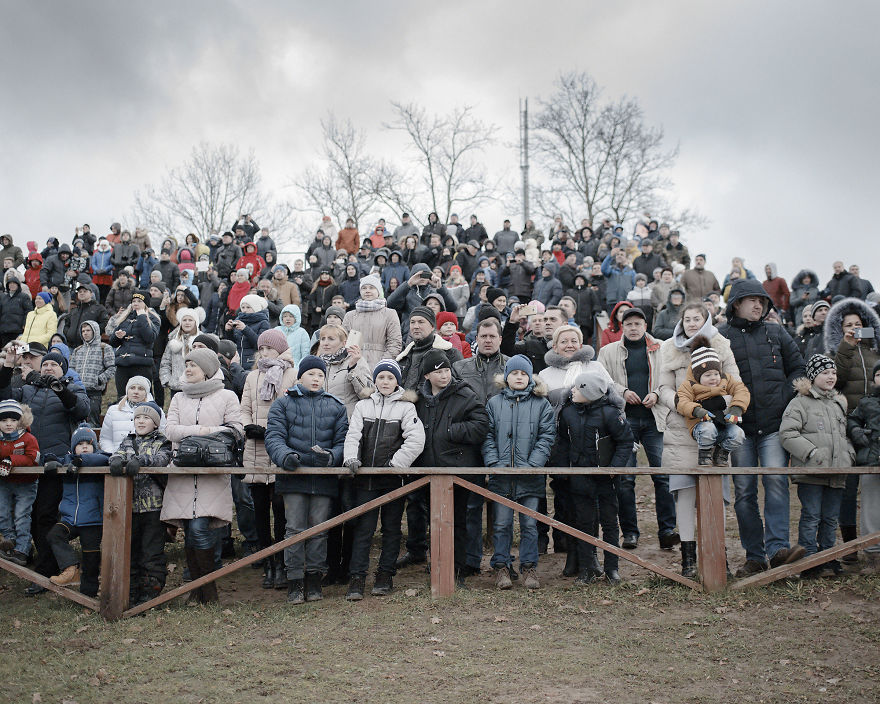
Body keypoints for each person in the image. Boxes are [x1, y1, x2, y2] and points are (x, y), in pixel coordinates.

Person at [719, 279, 805, 577]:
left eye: (762, 301)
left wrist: (784, 397)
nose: (759, 305)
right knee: (744, 492)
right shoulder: (721, 336)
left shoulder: (776, 332)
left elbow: (798, 368)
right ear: (736, 304)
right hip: (739, 428)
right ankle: (754, 557)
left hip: (773, 425)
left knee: (776, 483)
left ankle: (779, 550)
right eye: (752, 300)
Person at [656, 302, 740, 575]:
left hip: (714, 424)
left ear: (706, 320)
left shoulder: (721, 344)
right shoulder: (669, 348)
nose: (692, 323)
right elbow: (663, 387)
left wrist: (719, 403)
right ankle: (688, 560)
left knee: (716, 495)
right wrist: (683, 405)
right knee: (684, 494)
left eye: (697, 319)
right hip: (682, 428)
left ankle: (718, 557)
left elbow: (734, 381)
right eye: (687, 319)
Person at [0, 348, 90, 594]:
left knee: (46, 516)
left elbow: (82, 410)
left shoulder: (72, 388)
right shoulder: (28, 390)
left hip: (54, 464)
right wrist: (7, 367)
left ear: (63, 369)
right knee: (28, 516)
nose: (49, 367)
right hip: (26, 462)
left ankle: (45, 572)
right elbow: (4, 398)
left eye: (54, 365)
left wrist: (59, 389)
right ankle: (35, 560)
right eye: (46, 364)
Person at [265, 355, 349, 604]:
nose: (316, 379)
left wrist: (331, 456)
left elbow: (343, 441)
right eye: (311, 374)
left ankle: (314, 580)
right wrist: (285, 456)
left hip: (323, 479)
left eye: (321, 375)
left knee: (319, 531)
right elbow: (274, 437)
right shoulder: (282, 404)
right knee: (294, 529)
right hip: (294, 477)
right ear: (301, 376)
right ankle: (294, 581)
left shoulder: (336, 406)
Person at [161, 349, 243, 604]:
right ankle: (198, 591)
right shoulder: (178, 397)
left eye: (193, 365)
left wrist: (194, 433)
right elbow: (170, 431)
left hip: (212, 472)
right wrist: (205, 431)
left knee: (199, 528)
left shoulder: (227, 396)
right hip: (183, 471)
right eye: (186, 364)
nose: (187, 369)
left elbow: (235, 430)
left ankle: (208, 591)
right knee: (189, 529)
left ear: (206, 369)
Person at [342, 359, 425, 600]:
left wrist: (395, 464)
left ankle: (385, 574)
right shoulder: (363, 406)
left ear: (397, 381)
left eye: (390, 378)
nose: (385, 382)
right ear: (375, 380)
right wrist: (351, 458)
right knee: (363, 529)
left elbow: (416, 440)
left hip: (391, 479)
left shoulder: (406, 408)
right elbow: (353, 435)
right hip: (365, 480)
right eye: (381, 377)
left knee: (391, 528)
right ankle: (357, 577)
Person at [598, 307, 678, 551]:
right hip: (625, 421)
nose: (633, 328)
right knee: (625, 479)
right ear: (622, 327)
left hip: (656, 419)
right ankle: (630, 532)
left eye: (638, 324)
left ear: (645, 326)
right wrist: (622, 391)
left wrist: (656, 393)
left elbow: (670, 379)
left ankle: (667, 531)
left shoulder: (662, 348)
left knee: (662, 476)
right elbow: (603, 380)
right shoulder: (608, 351)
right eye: (629, 324)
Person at [413, 349, 490, 587]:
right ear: (427, 375)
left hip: (458, 470)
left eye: (447, 370)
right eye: (438, 372)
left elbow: (481, 425)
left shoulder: (464, 394)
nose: (444, 375)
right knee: (434, 521)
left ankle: (457, 571)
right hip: (428, 470)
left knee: (457, 522)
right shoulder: (418, 400)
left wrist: (450, 431)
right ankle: (438, 566)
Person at [553, 367, 634, 585]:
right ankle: (587, 568)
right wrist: (563, 470)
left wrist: (613, 469)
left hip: (606, 478)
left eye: (578, 388)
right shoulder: (568, 412)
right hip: (579, 476)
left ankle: (612, 568)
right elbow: (562, 442)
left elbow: (625, 442)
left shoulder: (610, 414)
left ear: (590, 392)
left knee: (609, 523)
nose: (572, 391)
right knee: (584, 523)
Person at [483, 355, 555, 590]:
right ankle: (502, 566)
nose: (519, 377)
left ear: (530, 377)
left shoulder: (541, 404)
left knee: (530, 524)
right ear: (507, 377)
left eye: (524, 374)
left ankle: (529, 567)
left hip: (530, 477)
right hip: (502, 476)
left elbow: (546, 436)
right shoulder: (494, 403)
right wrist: (494, 463)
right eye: (514, 373)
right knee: (501, 524)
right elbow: (487, 435)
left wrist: (533, 465)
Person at [777, 355, 852, 579]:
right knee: (811, 516)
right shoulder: (799, 402)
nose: (831, 377)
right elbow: (787, 434)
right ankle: (809, 560)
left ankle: (829, 557)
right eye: (825, 373)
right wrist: (811, 453)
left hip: (837, 471)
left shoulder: (839, 404)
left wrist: (849, 455)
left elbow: (844, 435)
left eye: (833, 373)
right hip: (811, 472)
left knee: (831, 517)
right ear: (812, 376)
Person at [240, 330, 297, 591]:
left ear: (280, 349)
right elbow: (244, 408)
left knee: (281, 509)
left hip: (280, 447)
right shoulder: (252, 376)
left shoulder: (292, 374)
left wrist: (272, 432)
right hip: (255, 450)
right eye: (261, 349)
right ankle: (268, 563)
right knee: (260, 510)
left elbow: (294, 409)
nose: (264, 353)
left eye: (269, 349)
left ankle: (283, 562)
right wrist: (247, 427)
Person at [824, 296, 880, 558]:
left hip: (875, 429)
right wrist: (846, 346)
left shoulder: (876, 351)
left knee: (873, 486)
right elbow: (838, 380)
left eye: (858, 324)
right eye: (849, 325)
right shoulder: (837, 352)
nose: (855, 328)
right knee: (847, 487)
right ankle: (849, 546)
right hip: (847, 425)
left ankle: (873, 544)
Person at [43, 426, 109, 596]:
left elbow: (104, 458)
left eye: (89, 443)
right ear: (73, 448)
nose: (84, 446)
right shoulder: (68, 460)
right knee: (54, 535)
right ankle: (70, 568)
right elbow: (51, 458)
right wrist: (49, 460)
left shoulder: (100, 459)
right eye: (80, 444)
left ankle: (88, 596)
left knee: (91, 559)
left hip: (93, 519)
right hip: (69, 518)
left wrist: (80, 461)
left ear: (95, 446)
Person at [847, 360, 880, 575]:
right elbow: (852, 420)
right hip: (872, 460)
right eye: (879, 374)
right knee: (871, 508)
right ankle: (873, 555)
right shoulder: (867, 402)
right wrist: (856, 430)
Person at [0, 401, 39, 567]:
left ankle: (22, 548)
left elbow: (33, 458)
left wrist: (11, 460)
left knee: (21, 515)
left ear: (20, 421)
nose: (9, 424)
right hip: (4, 483)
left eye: (13, 420)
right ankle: (10, 540)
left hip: (26, 483)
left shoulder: (28, 438)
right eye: (4, 420)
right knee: (2, 512)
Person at [341, 274, 403, 371]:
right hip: (354, 366)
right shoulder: (350, 315)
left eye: (371, 287)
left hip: (380, 367)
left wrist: (382, 365)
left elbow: (395, 343)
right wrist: (351, 363)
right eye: (364, 288)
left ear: (378, 291)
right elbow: (343, 342)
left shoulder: (390, 314)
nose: (367, 291)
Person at [108, 291, 161, 397]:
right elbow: (113, 343)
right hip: (123, 364)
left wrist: (142, 317)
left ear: (145, 304)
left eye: (139, 301)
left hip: (142, 364)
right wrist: (117, 336)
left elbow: (150, 337)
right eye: (134, 301)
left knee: (143, 397)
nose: (135, 303)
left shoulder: (153, 318)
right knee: (122, 397)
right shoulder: (125, 318)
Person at [69, 320, 115, 425]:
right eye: (83, 331)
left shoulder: (104, 348)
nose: (85, 333)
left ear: (95, 331)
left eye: (88, 330)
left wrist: (99, 380)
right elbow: (71, 369)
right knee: (76, 421)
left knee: (93, 422)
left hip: (94, 393)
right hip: (78, 392)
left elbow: (112, 368)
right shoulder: (77, 350)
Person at [225, 294, 271, 370]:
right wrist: (228, 331)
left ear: (256, 308)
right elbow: (233, 343)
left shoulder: (263, 323)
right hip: (238, 362)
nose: (245, 310)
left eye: (248, 307)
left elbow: (260, 345)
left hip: (253, 363)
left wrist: (245, 329)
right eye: (243, 307)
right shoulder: (239, 320)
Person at [0, 276, 34, 347]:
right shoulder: (3, 298)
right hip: (4, 330)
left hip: (17, 330)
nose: (12, 285)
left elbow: (29, 311)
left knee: (17, 350)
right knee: (5, 350)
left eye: (14, 283)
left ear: (18, 285)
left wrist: (25, 324)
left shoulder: (24, 297)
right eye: (10, 283)